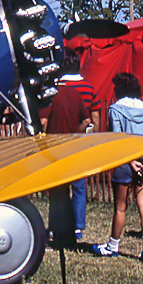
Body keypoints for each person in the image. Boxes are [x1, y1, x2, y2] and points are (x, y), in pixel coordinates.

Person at [93, 72, 143, 262]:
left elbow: (117, 138)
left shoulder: (115, 109)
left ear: (120, 89)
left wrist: (131, 161)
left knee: (121, 208)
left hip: (125, 162)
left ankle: (112, 246)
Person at [40, 67, 93, 248]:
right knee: (76, 189)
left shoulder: (50, 96)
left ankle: (56, 229)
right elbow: (86, 120)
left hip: (55, 149)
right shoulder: (75, 94)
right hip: (73, 146)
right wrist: (74, 134)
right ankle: (73, 229)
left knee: (57, 193)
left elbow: (43, 122)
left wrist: (41, 144)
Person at [55, 50, 102, 241]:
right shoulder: (89, 88)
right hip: (80, 143)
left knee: (58, 188)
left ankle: (58, 224)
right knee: (79, 187)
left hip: (58, 142)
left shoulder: (56, 88)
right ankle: (78, 226)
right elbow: (95, 119)